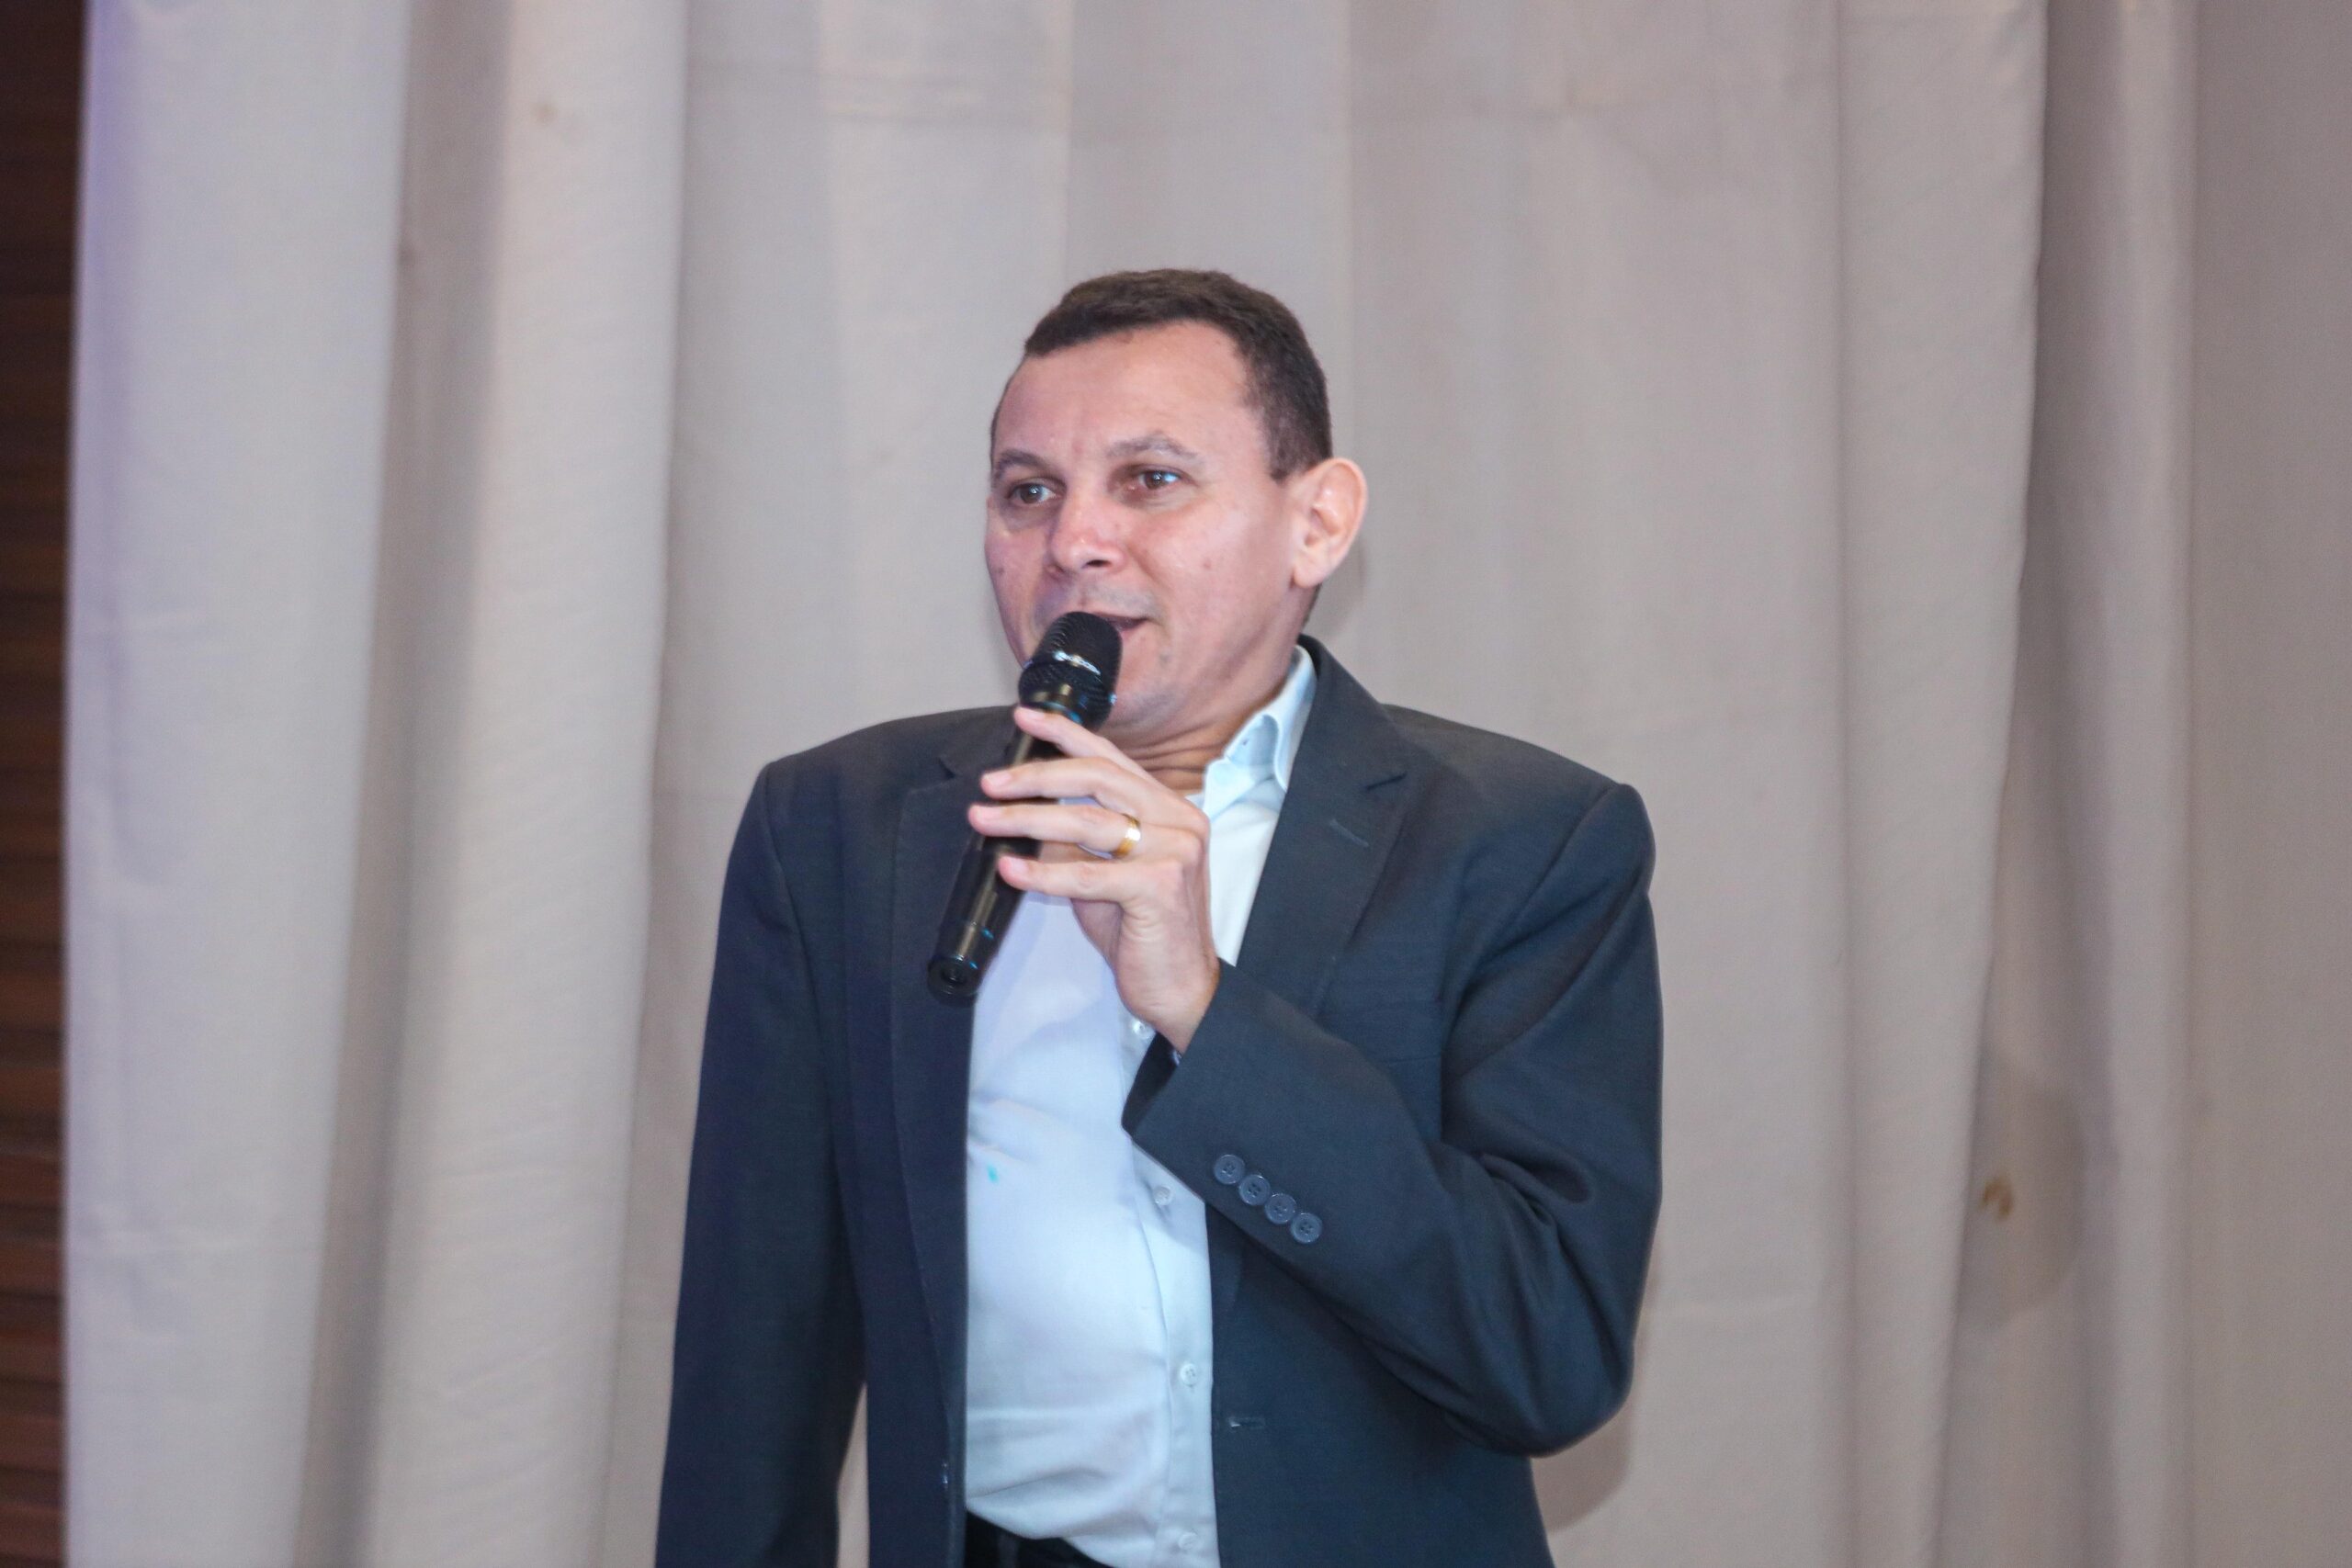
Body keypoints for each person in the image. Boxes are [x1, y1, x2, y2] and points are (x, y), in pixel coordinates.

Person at [654, 269, 1663, 1568]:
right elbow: (755, 1355)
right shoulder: (844, 829)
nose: (1076, 539)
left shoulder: (1520, 842)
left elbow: (1547, 1356)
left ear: (1318, 522)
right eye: (1029, 492)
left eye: (1152, 480)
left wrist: (1205, 1010)